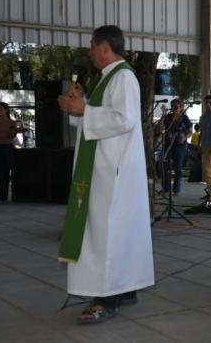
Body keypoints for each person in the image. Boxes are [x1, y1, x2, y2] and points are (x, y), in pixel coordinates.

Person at [56, 25, 154, 324]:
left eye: (92, 46)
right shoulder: (109, 78)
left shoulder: (123, 77)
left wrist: (84, 110)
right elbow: (103, 119)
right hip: (103, 169)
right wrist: (81, 107)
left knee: (106, 234)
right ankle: (125, 289)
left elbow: (123, 119)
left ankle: (107, 297)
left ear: (104, 47)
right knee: (112, 233)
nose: (90, 52)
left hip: (114, 172)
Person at [0, 102, 23, 204]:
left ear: (6, 110)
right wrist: (8, 133)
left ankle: (4, 197)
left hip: (7, 148)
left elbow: (12, 136)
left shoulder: (12, 122)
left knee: (6, 173)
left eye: (0, 108)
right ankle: (0, 197)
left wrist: (13, 132)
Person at [155, 98, 192, 196]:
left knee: (178, 168)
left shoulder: (185, 118)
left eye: (177, 106)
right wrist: (163, 114)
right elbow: (159, 129)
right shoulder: (167, 117)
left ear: (181, 107)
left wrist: (184, 138)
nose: (175, 108)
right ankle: (166, 189)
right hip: (168, 145)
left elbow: (190, 132)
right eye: (173, 106)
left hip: (180, 145)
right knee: (165, 167)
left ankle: (176, 190)